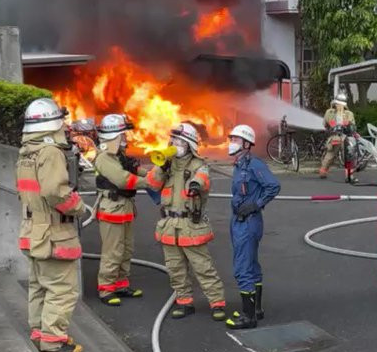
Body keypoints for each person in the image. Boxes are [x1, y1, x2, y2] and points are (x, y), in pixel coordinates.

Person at [16, 97, 85, 352]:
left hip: (33, 231)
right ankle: (54, 341)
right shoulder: (51, 152)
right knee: (61, 289)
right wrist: (79, 207)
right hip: (54, 235)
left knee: (39, 285)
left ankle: (39, 332)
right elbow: (57, 192)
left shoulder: (27, 153)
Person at [143, 122, 227, 321]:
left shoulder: (198, 165)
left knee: (203, 267)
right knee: (175, 268)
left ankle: (217, 303)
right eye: (174, 140)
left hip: (191, 226)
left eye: (180, 141)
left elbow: (203, 179)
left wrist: (196, 185)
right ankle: (184, 302)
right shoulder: (167, 165)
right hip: (169, 227)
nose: (176, 144)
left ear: (189, 144)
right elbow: (152, 184)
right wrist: (161, 167)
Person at [83, 113, 159, 306]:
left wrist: (159, 171)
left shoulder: (119, 157)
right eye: (122, 135)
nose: (126, 139)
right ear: (113, 137)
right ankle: (106, 289)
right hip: (111, 210)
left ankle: (121, 284)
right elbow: (123, 179)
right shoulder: (104, 159)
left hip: (124, 209)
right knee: (113, 252)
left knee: (126, 250)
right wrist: (148, 183)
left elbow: (136, 171)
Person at [223, 124, 281, 330]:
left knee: (242, 268)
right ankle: (255, 309)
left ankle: (248, 317)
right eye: (232, 139)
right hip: (241, 220)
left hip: (247, 222)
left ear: (247, 144)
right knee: (252, 265)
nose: (232, 143)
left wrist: (255, 204)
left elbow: (273, 186)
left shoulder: (254, 165)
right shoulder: (240, 165)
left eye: (236, 140)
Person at [319, 93, 357, 180]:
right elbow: (325, 124)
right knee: (337, 155)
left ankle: (324, 171)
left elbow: (353, 126)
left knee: (343, 155)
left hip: (342, 137)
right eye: (337, 104)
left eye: (339, 104)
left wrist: (347, 124)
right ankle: (324, 171)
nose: (338, 106)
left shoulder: (347, 114)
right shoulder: (330, 112)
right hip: (338, 137)